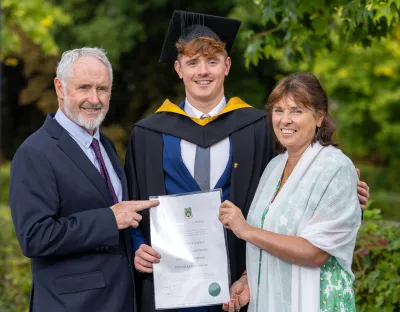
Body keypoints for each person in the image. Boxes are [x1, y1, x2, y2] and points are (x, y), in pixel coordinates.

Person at [125, 11, 369, 312]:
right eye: (192, 62)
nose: (203, 71)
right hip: (172, 288)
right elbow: (132, 202)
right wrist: (137, 247)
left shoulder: (258, 128)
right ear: (178, 68)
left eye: (212, 61)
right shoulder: (148, 133)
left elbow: (295, 191)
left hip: (241, 287)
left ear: (226, 66)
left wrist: (347, 196)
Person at [9, 47, 159, 312]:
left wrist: (135, 249)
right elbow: (35, 236)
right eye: (84, 87)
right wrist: (109, 219)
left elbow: (119, 225)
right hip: (71, 305)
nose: (94, 98)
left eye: (102, 89)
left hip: (121, 300)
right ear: (60, 87)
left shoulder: (106, 146)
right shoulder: (35, 152)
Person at [219, 72, 362, 312]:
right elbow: (270, 235)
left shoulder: (334, 168)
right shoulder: (274, 167)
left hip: (317, 302)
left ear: (319, 118)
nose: (285, 120)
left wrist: (245, 230)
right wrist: (248, 280)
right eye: (278, 110)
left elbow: (315, 253)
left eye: (296, 111)